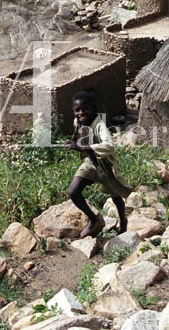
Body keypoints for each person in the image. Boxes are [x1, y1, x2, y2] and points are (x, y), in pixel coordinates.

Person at [64, 91, 133, 238]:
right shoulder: (77, 121)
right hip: (90, 162)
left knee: (116, 195)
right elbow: (79, 134)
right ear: (73, 111)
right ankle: (93, 218)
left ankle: (123, 221)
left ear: (92, 108)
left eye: (85, 109)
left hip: (106, 165)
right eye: (77, 110)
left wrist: (82, 147)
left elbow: (110, 146)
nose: (81, 113)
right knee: (73, 192)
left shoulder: (99, 125)